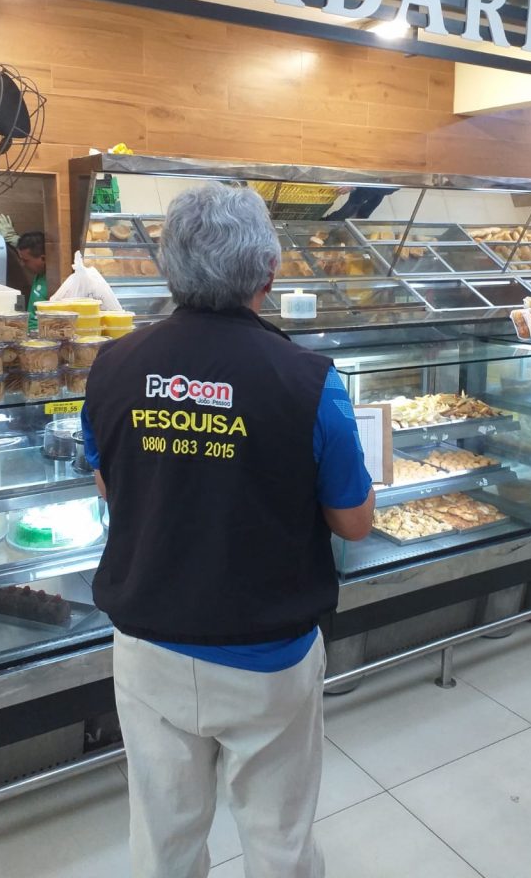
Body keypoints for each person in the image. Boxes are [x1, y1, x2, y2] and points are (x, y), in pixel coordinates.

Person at [81, 181, 374, 878]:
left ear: (169, 269)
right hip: (266, 653)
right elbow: (355, 522)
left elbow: (110, 486)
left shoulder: (113, 365)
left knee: (163, 840)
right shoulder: (310, 381)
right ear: (269, 272)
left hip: (148, 642)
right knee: (278, 841)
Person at [15, 232, 48, 329]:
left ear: (43, 258)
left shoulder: (53, 282)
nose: (22, 264)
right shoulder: (38, 275)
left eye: (26, 260)